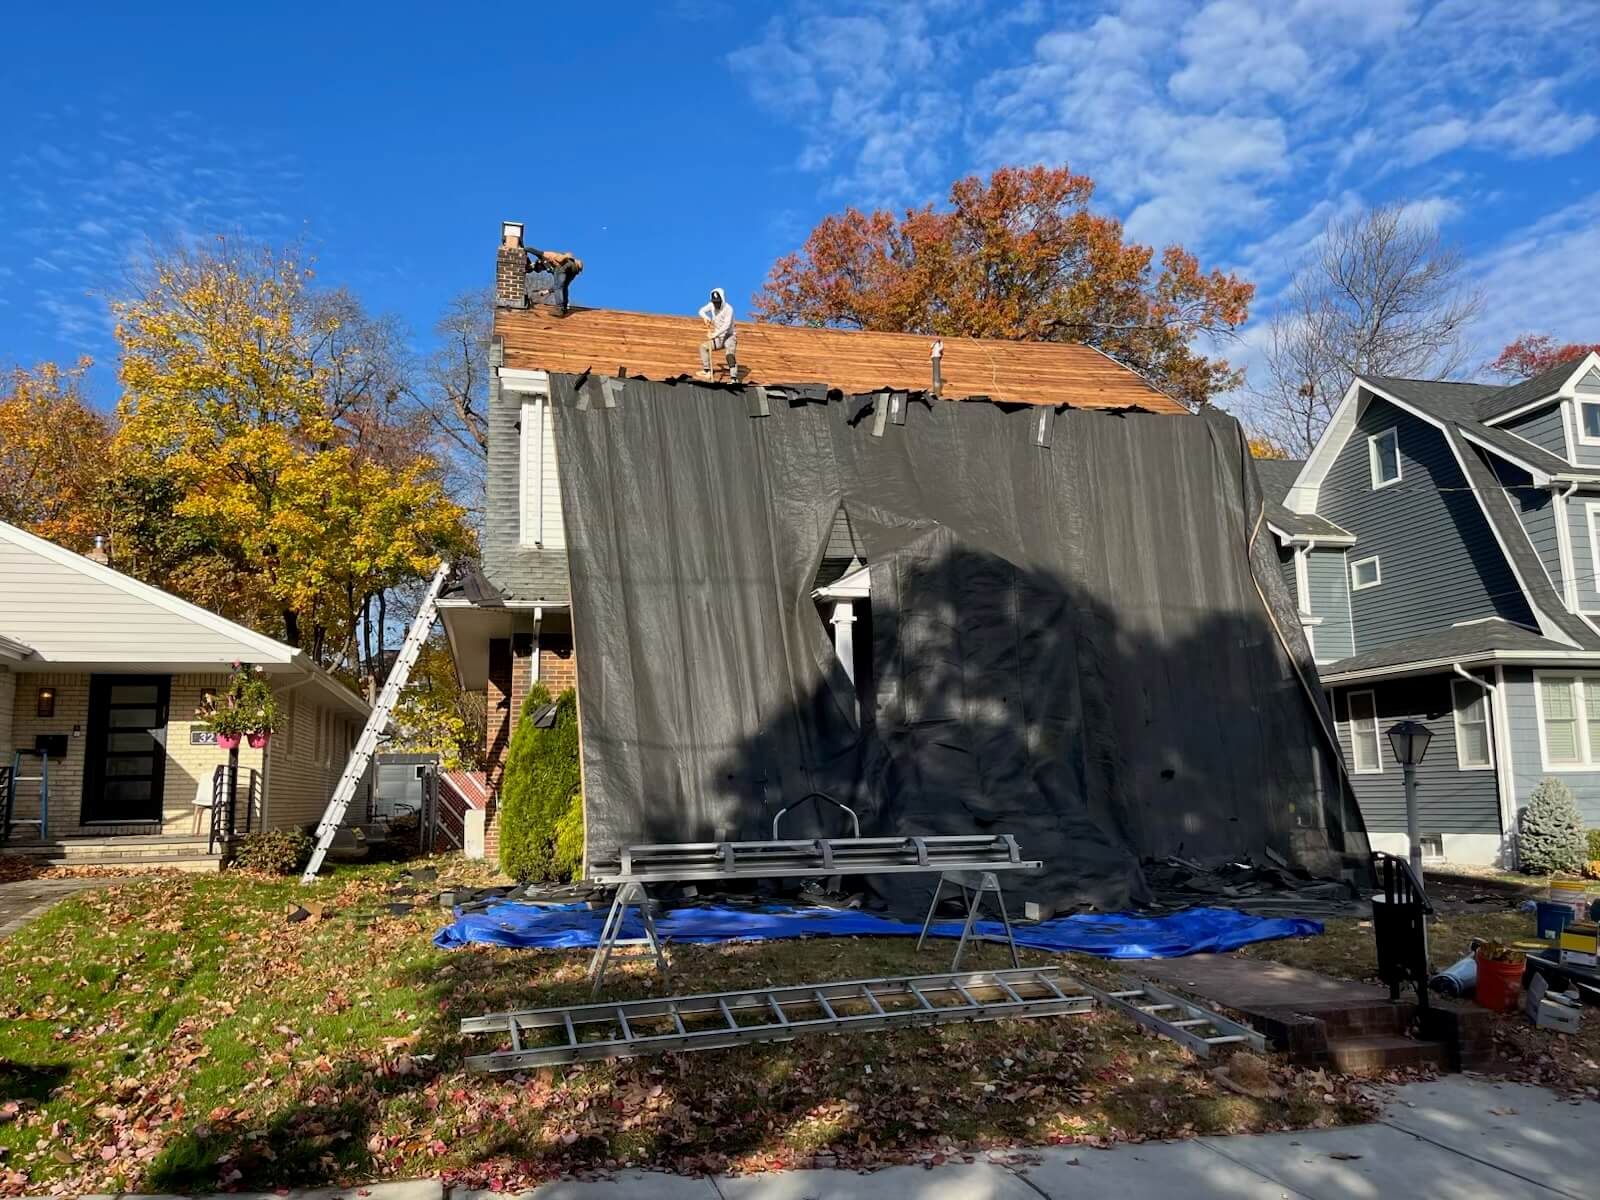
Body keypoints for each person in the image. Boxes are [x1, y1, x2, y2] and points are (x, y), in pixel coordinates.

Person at [698, 287, 737, 380]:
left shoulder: (729, 309)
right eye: (715, 302)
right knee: (703, 347)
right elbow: (701, 311)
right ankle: (707, 371)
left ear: (722, 300)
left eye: (718, 302)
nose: (716, 304)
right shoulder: (711, 305)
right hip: (719, 339)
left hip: (729, 336)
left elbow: (726, 326)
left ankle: (734, 378)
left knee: (729, 355)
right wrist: (706, 318)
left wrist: (714, 335)